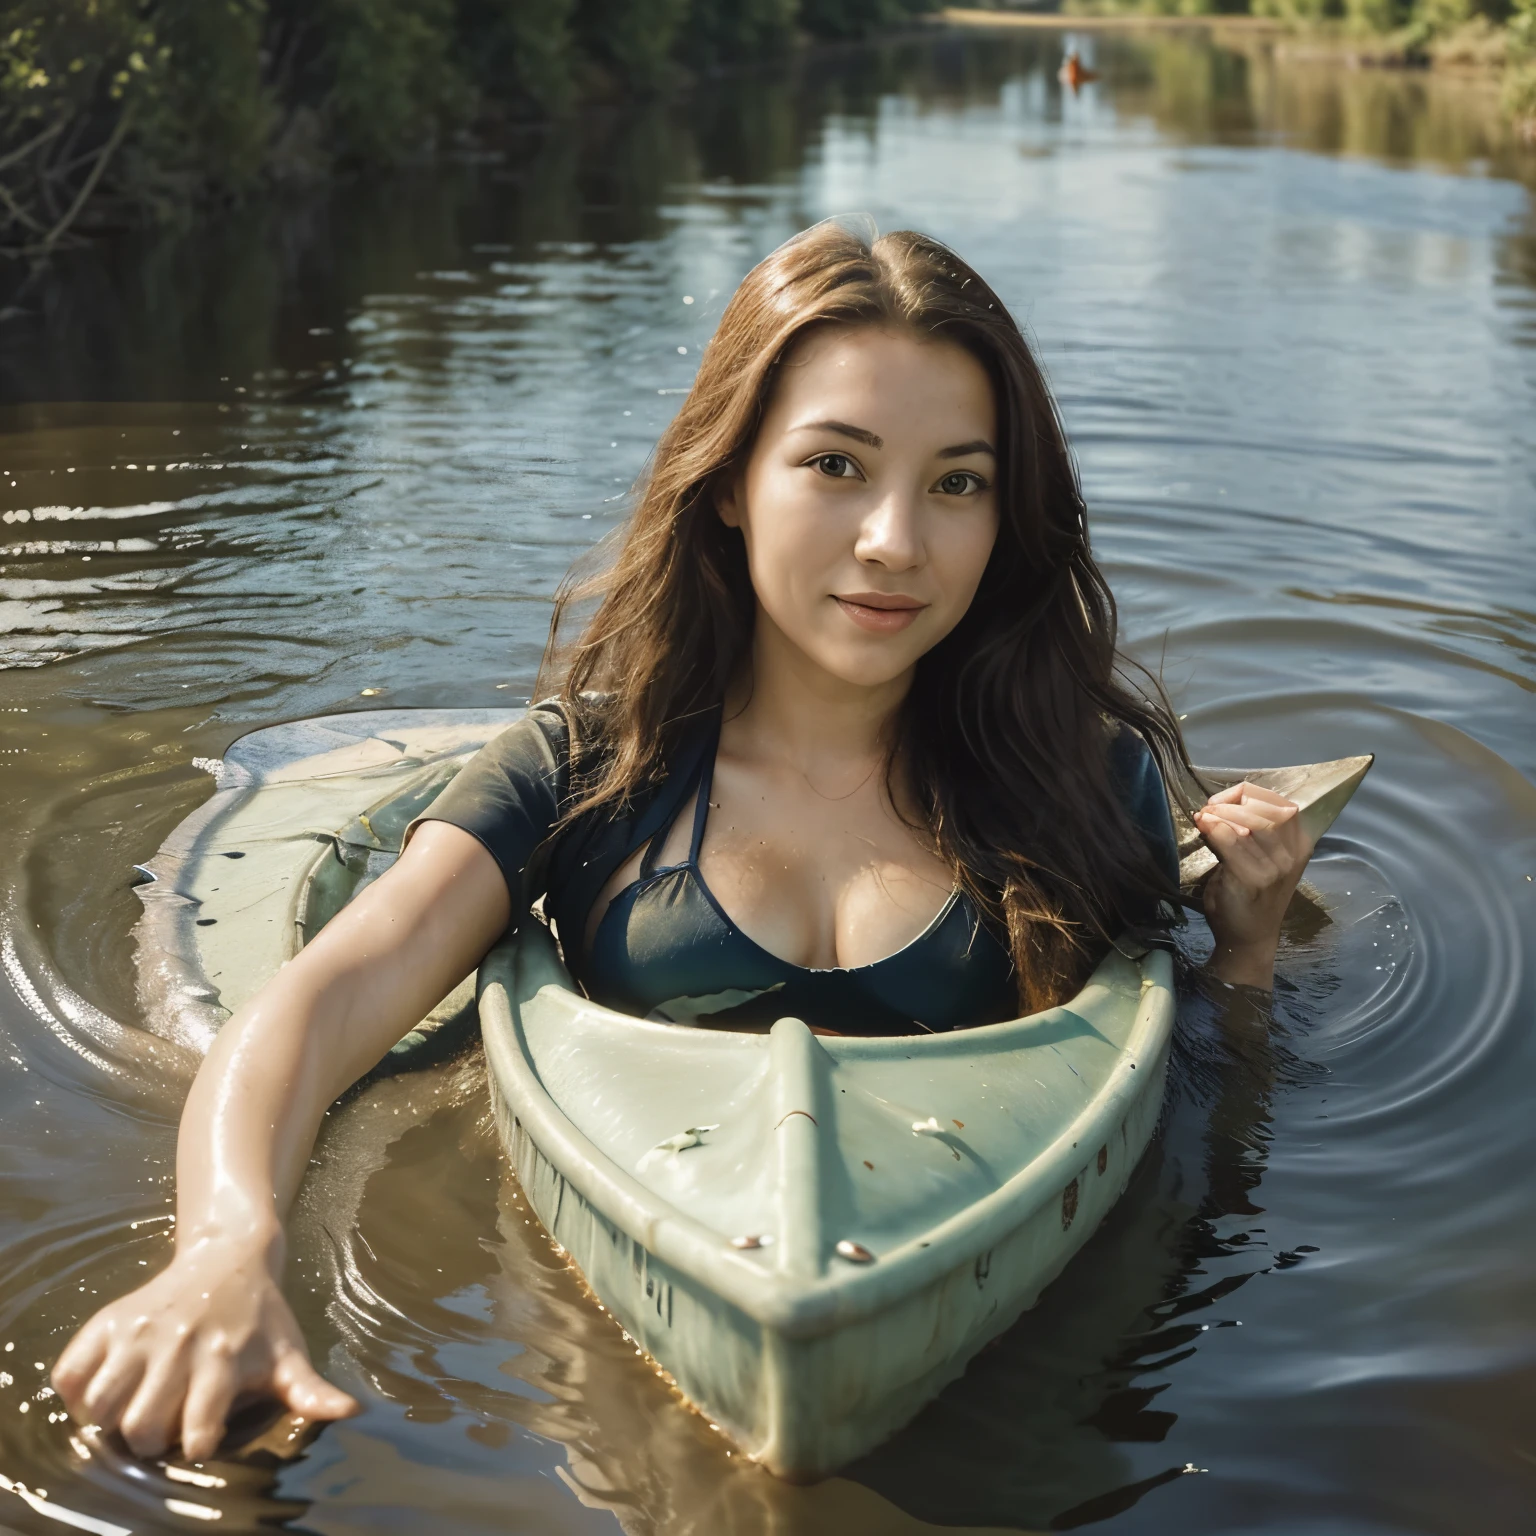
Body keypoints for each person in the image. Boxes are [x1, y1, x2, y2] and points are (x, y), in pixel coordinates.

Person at [53, 222, 1315, 1461]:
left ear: (1003, 517)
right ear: (728, 484)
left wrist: (1246, 956)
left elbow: (1175, 1058)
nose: (896, 541)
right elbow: (324, 1003)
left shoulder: (1087, 781)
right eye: (835, 465)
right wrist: (226, 1246)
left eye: (957, 482)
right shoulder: (578, 772)